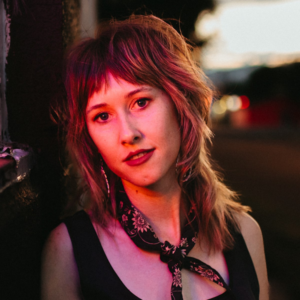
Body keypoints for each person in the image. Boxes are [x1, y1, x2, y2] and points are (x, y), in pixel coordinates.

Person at [41, 15, 268, 300]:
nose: (127, 133)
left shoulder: (245, 234)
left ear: (179, 100)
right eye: (102, 116)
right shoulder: (69, 250)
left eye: (140, 102)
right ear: (88, 137)